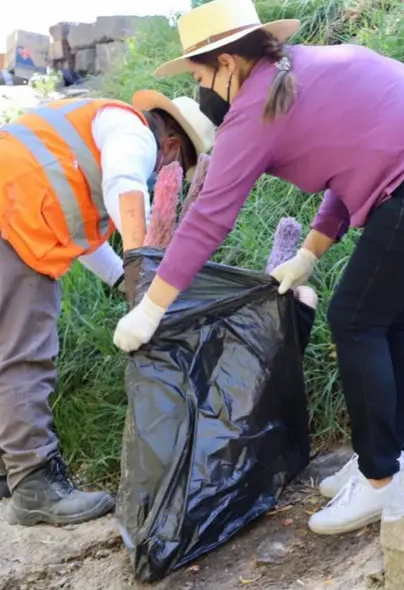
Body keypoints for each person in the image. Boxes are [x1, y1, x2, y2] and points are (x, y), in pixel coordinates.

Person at [111, 0, 404, 536]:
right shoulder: (300, 70)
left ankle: (384, 484)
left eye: (198, 74)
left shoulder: (259, 103)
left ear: (225, 63)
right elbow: (354, 167)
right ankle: (386, 459)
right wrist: (309, 253)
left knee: (356, 321)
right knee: (385, 322)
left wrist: (150, 310)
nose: (200, 88)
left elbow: (208, 219)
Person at [0, 91, 216, 526]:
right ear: (173, 144)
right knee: (24, 349)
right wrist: (143, 264)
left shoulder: (91, 128)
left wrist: (123, 277)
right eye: (172, 166)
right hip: (0, 215)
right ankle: (35, 484)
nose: (163, 173)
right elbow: (126, 183)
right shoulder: (134, 134)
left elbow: (85, 239)